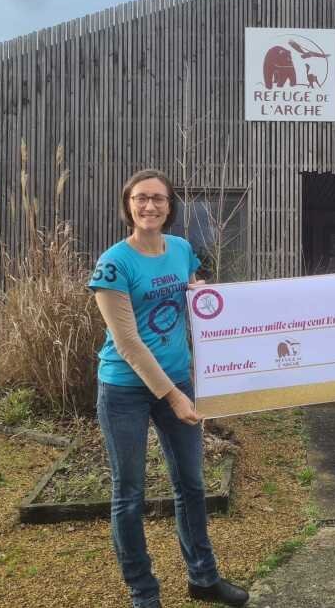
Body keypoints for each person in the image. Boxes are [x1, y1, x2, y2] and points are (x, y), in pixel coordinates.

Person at [89, 168, 248, 608]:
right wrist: (174, 396)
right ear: (128, 205)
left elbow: (196, 302)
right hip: (125, 388)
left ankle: (203, 578)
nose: (149, 206)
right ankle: (143, 592)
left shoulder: (181, 249)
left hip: (178, 376)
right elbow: (128, 343)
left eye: (158, 199)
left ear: (170, 206)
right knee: (129, 493)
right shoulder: (114, 263)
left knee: (192, 485)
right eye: (141, 198)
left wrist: (204, 297)